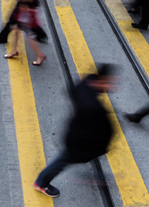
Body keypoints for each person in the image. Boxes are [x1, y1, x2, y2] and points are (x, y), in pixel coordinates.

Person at [34, 64, 117, 197]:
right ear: (101, 80)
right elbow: (101, 128)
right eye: (109, 83)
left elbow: (72, 90)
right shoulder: (93, 108)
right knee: (63, 160)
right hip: (79, 142)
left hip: (78, 134)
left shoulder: (87, 82)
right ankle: (41, 182)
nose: (112, 87)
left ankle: (97, 175)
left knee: (70, 157)